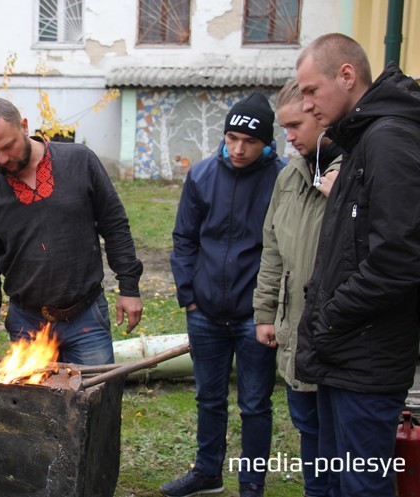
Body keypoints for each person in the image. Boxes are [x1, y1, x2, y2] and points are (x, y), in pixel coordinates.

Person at [295, 33, 420, 497]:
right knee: (335, 482)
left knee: (362, 486)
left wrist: (330, 318)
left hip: (365, 360)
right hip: (342, 355)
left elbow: (398, 259)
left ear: (347, 76)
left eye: (311, 90)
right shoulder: (362, 140)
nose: (306, 105)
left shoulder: (388, 141)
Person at [0, 97, 143, 366]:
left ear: (24, 126)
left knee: (95, 400)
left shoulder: (79, 161)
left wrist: (129, 287)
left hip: (86, 317)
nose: (1, 159)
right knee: (36, 406)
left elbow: (114, 225)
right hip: (27, 322)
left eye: (7, 146)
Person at [165, 93, 282, 497]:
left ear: (266, 142)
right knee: (208, 398)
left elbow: (284, 248)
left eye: (248, 141)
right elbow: (184, 238)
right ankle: (208, 473)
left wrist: (270, 308)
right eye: (231, 137)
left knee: (255, 404)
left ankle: (251, 485)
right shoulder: (201, 175)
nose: (238, 148)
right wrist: (190, 296)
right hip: (206, 312)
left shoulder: (281, 179)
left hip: (256, 316)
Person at [252, 78, 342, 497]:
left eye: (294, 125)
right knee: (307, 427)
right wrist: (266, 314)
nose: (286, 136)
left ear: (322, 116)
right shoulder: (289, 178)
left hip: (342, 340)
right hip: (296, 334)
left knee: (343, 442)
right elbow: (273, 251)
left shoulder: (355, 175)